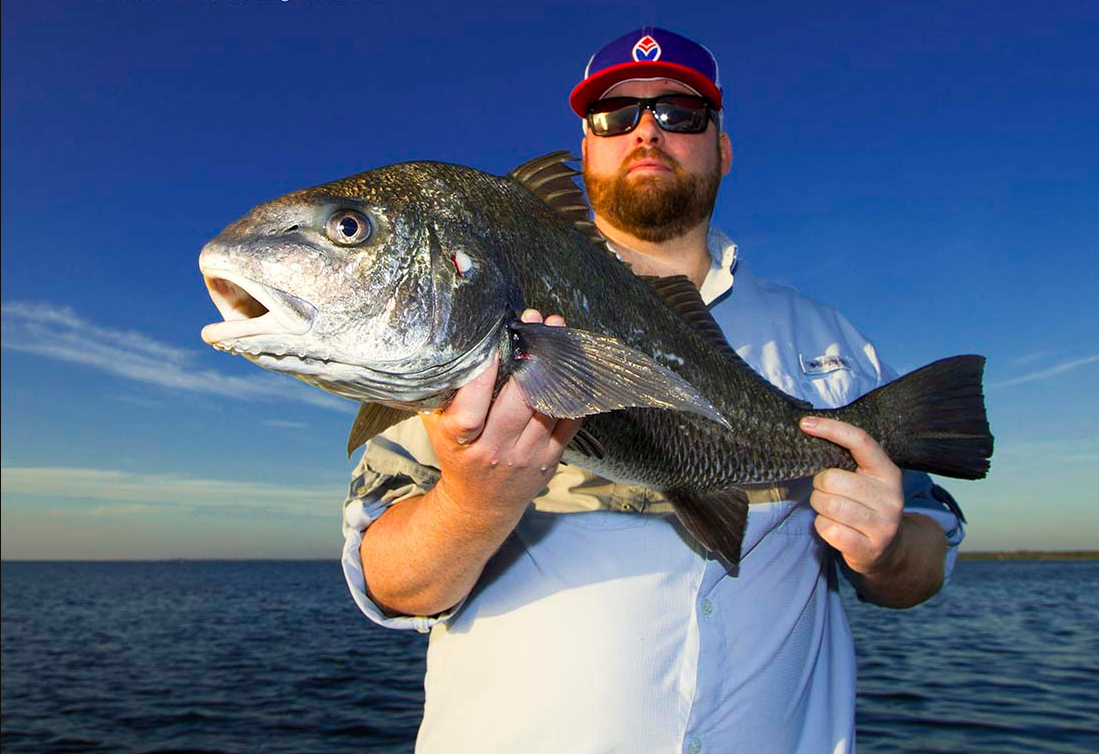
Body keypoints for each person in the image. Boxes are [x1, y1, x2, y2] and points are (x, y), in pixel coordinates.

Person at [340, 27, 966, 753]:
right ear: (585, 150)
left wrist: (888, 553)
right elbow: (388, 584)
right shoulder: (465, 320)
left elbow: (925, 553)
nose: (645, 130)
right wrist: (473, 502)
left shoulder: (831, 341)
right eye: (613, 116)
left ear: (721, 148)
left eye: (679, 113)